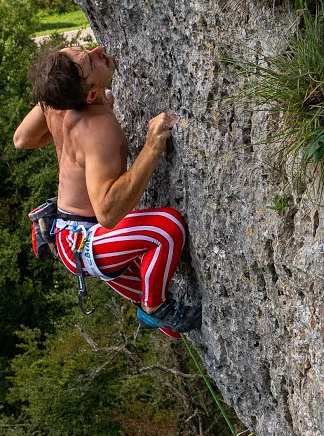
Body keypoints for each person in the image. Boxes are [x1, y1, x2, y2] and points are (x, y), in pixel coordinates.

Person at [14, 44, 201, 336]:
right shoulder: (96, 127)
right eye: (92, 60)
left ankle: (154, 309)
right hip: (86, 239)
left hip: (71, 235)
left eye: (83, 50)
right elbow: (108, 213)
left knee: (173, 329)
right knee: (166, 228)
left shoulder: (60, 95)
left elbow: (22, 139)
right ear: (89, 95)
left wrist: (69, 144)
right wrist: (151, 148)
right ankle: (154, 308)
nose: (99, 48)